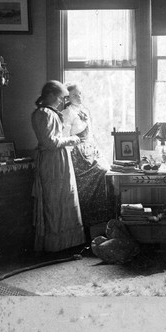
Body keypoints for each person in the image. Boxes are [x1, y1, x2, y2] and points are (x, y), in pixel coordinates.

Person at [31, 80, 86, 253]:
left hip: (59, 159)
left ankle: (65, 244)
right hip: (52, 161)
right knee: (54, 201)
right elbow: (50, 142)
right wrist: (73, 139)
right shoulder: (43, 113)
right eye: (61, 97)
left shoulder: (50, 112)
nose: (63, 101)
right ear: (52, 95)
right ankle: (55, 245)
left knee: (64, 198)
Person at [62, 82, 113, 241]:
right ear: (67, 98)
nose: (79, 97)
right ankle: (86, 231)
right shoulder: (66, 113)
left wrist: (96, 147)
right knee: (97, 177)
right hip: (78, 154)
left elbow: (91, 134)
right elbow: (64, 137)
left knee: (108, 173)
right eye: (74, 95)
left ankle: (104, 227)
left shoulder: (85, 111)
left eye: (80, 94)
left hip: (91, 151)